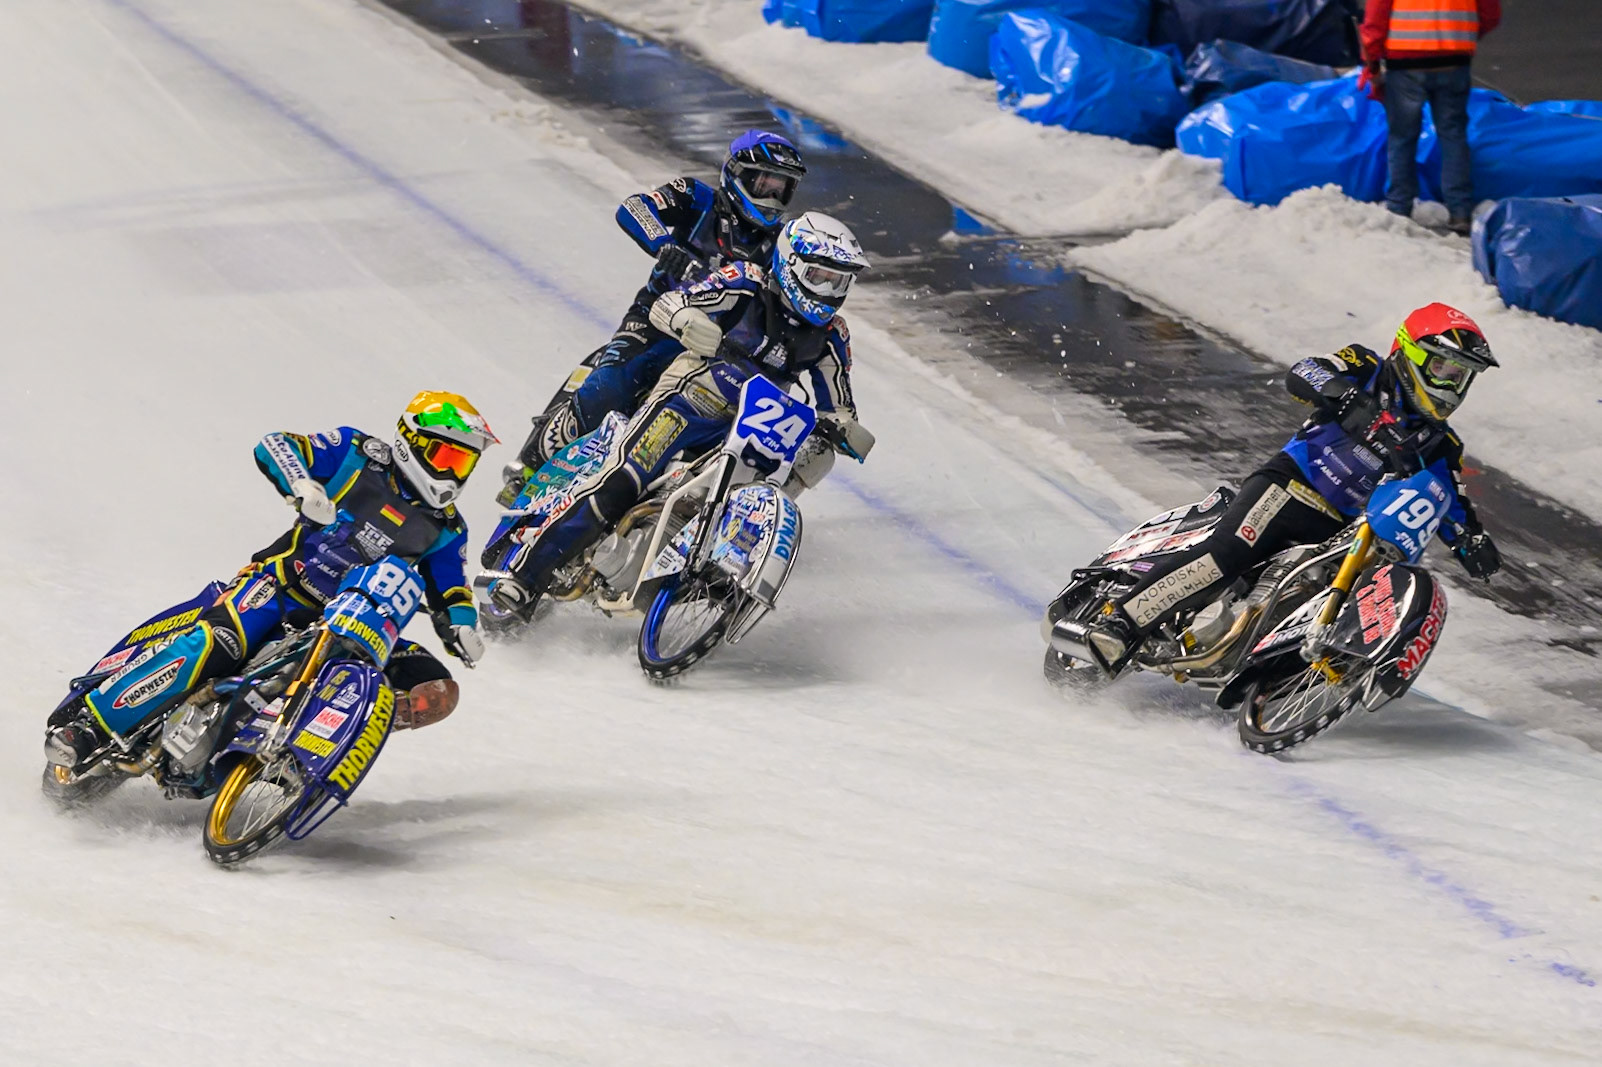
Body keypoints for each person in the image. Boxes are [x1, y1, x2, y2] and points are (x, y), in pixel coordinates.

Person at [45, 392, 498, 771]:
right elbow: (277, 444)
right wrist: (303, 485)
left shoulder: (447, 528)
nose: (455, 471)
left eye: (465, 463)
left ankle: (299, 755)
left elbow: (450, 587)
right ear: (411, 441)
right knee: (216, 643)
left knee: (434, 688)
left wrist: (461, 623)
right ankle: (91, 727)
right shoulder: (356, 452)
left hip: (356, 626)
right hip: (280, 589)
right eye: (448, 455)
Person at [1080, 303, 1503, 672]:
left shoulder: (1443, 446)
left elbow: (1449, 501)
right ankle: (1122, 622)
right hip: (1290, 486)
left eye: (1463, 376)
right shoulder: (1366, 366)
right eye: (1445, 369)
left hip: (1342, 532)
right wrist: (1346, 397)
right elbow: (1305, 372)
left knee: (1349, 586)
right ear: (1411, 353)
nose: (1452, 385)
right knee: (1228, 553)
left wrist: (1473, 543)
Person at [489, 211, 868, 613]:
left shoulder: (833, 336)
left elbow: (838, 404)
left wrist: (844, 428)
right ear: (790, 265)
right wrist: (685, 319)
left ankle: (722, 564)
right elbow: (670, 302)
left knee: (815, 454)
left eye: (839, 281)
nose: (828, 290)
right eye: (820, 276)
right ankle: (525, 577)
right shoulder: (744, 282)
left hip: (754, 426)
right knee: (624, 477)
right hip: (691, 398)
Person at [500, 130, 808, 502]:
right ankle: (531, 464)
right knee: (611, 386)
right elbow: (634, 207)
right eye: (765, 184)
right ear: (738, 174)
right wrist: (665, 248)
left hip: (725, 347)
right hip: (658, 320)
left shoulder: (784, 242)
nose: (772, 198)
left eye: (782, 189)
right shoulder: (696, 196)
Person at [1361, 0, 1502, 235]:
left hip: (1404, 62)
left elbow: (1376, 17)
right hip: (1454, 59)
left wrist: (1372, 64)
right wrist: (1463, 38)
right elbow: (1490, 14)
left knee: (1402, 137)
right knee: (1453, 135)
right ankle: (1460, 212)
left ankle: (1399, 207)